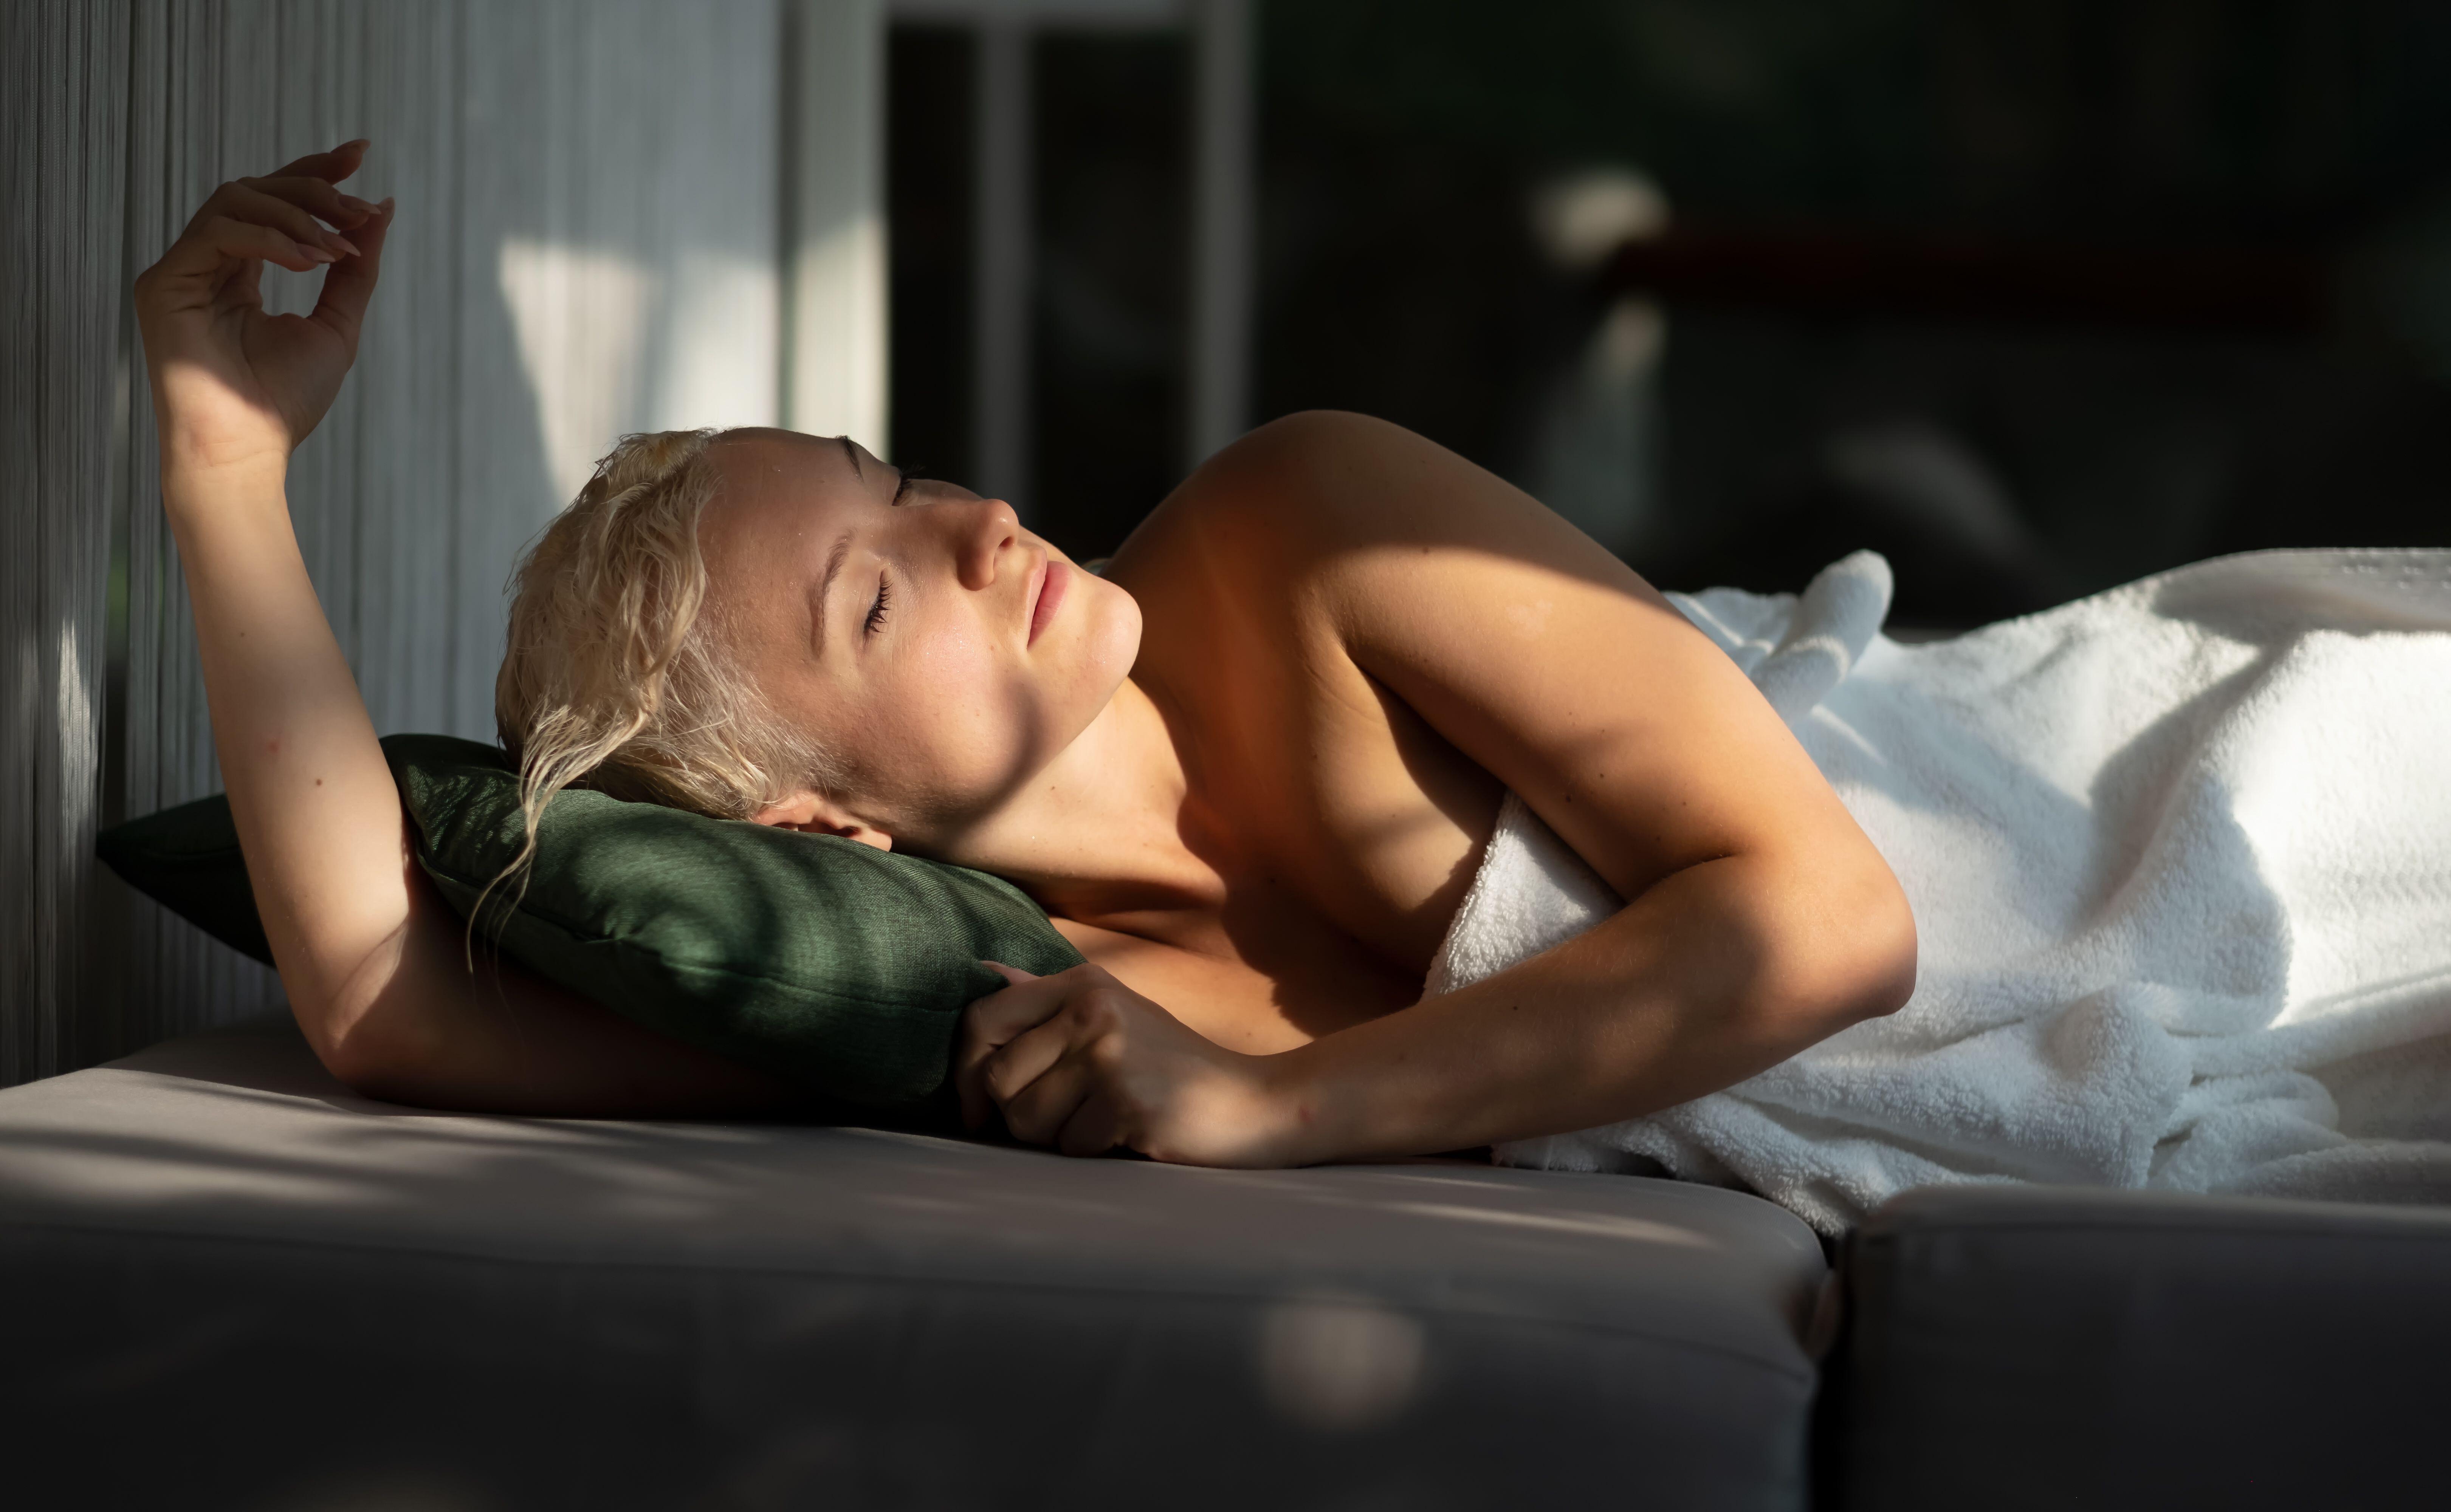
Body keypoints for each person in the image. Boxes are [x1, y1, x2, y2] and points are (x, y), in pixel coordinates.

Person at [135, 141, 1916, 1167]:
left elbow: (1838, 913)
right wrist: (227, 464)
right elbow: (386, 1003)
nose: (982, 527)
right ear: (818, 828)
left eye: (897, 486)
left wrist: (1276, 1108)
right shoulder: (994, 1003)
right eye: (879, 602)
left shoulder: (1306, 526)